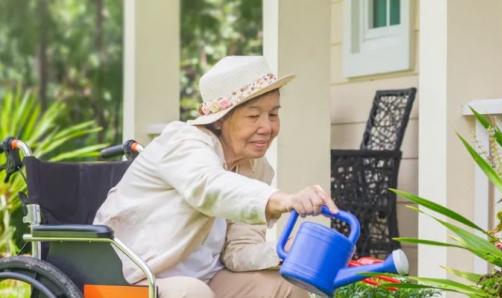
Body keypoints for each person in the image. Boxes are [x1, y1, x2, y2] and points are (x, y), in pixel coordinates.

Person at [94, 56, 338, 298]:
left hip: (207, 280)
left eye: (273, 114)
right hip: (130, 279)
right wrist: (283, 200)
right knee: (193, 292)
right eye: (253, 116)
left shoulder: (255, 166)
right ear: (220, 120)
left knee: (286, 285)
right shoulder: (183, 142)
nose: (267, 127)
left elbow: (239, 251)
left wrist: (286, 252)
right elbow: (211, 187)